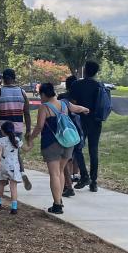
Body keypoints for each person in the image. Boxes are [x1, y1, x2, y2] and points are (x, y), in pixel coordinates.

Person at [26, 82, 90, 214]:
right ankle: (59, 199)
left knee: (54, 174)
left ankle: (57, 204)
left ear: (43, 94)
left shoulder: (44, 107)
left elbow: (39, 126)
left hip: (52, 144)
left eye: (40, 95)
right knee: (60, 171)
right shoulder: (64, 103)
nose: (40, 97)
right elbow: (76, 108)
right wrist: (85, 109)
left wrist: (30, 138)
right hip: (68, 142)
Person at [0, 68, 33, 209]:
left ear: (3, 79)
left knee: (4, 153)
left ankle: (5, 179)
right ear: (14, 78)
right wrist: (28, 131)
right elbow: (27, 112)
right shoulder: (22, 92)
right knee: (15, 150)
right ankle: (20, 172)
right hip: (18, 127)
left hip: (3, 127)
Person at [68, 60, 106, 192]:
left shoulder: (76, 84)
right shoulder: (99, 86)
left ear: (85, 70)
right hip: (96, 121)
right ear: (95, 72)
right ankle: (94, 182)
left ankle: (84, 175)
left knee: (77, 148)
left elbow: (72, 104)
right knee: (93, 150)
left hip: (81, 120)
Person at [59, 76, 86, 198]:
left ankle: (68, 184)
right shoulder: (80, 98)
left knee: (65, 158)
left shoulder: (62, 98)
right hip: (78, 130)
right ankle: (76, 174)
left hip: (65, 132)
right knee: (76, 154)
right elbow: (79, 109)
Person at [0, 132, 24, 215]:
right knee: (13, 186)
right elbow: (25, 149)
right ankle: (14, 207)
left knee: (1, 183)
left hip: (4, 165)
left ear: (3, 131)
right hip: (13, 167)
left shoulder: (1, 140)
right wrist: (30, 143)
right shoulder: (17, 140)